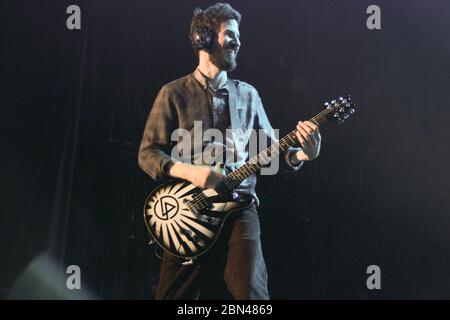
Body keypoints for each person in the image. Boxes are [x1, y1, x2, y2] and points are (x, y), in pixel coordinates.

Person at [138, 3, 321, 300]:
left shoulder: (248, 95)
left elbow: (271, 154)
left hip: (240, 209)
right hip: (188, 212)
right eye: (229, 34)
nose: (238, 42)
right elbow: (148, 153)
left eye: (238, 35)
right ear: (203, 38)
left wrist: (302, 155)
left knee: (252, 294)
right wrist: (191, 172)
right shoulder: (173, 93)